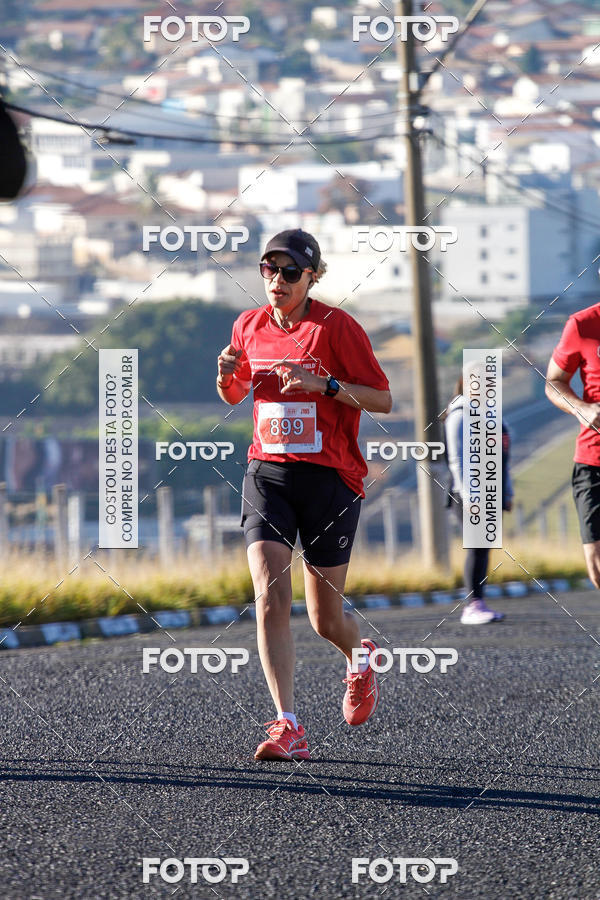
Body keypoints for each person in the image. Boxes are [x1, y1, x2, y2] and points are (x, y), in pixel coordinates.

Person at [216, 228, 392, 761]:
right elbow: (237, 391)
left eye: (290, 271)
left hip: (330, 480)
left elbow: (382, 399)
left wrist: (326, 386)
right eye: (269, 270)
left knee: (324, 618)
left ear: (312, 276)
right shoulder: (247, 325)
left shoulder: (336, 327)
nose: (277, 280)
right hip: (267, 471)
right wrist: (225, 376)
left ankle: (358, 657)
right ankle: (286, 724)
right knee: (269, 592)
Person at [445, 376, 513, 624]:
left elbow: (504, 456)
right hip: (468, 494)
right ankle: (472, 606)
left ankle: (479, 603)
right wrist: (470, 497)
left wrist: (506, 493)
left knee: (483, 548)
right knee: (477, 546)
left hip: (490, 492)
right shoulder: (460, 414)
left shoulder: (492, 414)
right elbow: (457, 460)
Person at [546, 303, 600, 587]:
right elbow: (554, 381)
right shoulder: (582, 324)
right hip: (593, 460)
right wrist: (582, 408)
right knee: (596, 563)